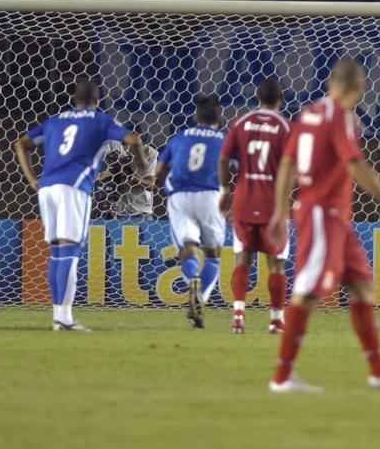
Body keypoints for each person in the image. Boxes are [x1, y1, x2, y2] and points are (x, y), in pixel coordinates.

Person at [266, 58, 380, 393]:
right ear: (356, 89)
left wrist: (280, 214)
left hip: (334, 217)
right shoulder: (341, 116)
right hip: (322, 214)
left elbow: (287, 164)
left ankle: (379, 370)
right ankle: (282, 376)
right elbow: (356, 165)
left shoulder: (308, 114)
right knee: (308, 293)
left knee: (362, 285)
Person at [14, 78, 146, 331]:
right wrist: (140, 165)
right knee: (70, 251)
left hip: (47, 188)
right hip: (74, 188)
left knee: (57, 252)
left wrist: (32, 179)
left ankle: (59, 315)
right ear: (98, 101)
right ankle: (64, 318)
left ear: (74, 100)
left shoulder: (55, 121)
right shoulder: (101, 120)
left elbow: (20, 143)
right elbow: (134, 140)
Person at [218, 77, 290, 335]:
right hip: (272, 201)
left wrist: (226, 190)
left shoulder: (241, 123)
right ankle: (276, 320)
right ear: (280, 101)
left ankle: (238, 314)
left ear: (256, 99)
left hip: (244, 199)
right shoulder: (284, 127)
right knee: (276, 263)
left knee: (242, 259)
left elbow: (224, 157)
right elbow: (290, 167)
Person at [154, 96, 227, 330]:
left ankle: (192, 278)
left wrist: (160, 186)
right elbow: (235, 166)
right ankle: (200, 299)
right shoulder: (224, 140)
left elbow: (160, 170)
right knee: (214, 254)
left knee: (187, 247)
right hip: (211, 195)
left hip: (180, 195)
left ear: (196, 117)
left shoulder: (180, 137)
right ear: (220, 117)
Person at [110, 139, 159, 221]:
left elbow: (151, 185)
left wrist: (132, 177)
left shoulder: (148, 152)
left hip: (141, 212)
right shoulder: (116, 149)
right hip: (119, 211)